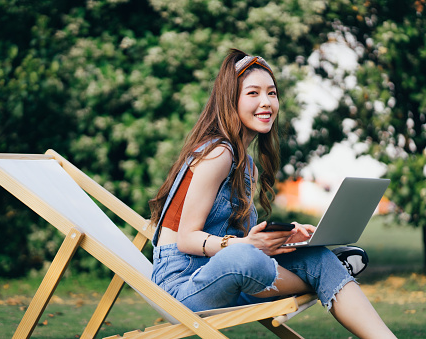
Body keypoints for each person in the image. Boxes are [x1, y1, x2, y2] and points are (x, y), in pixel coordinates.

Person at [149, 49, 396, 338]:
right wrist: (246, 247)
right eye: (253, 93)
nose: (266, 102)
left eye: (272, 93)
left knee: (315, 256)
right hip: (181, 286)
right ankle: (322, 278)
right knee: (247, 258)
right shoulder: (218, 153)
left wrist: (282, 238)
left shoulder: (246, 166)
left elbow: (239, 240)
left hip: (222, 278)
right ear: (231, 100)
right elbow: (188, 239)